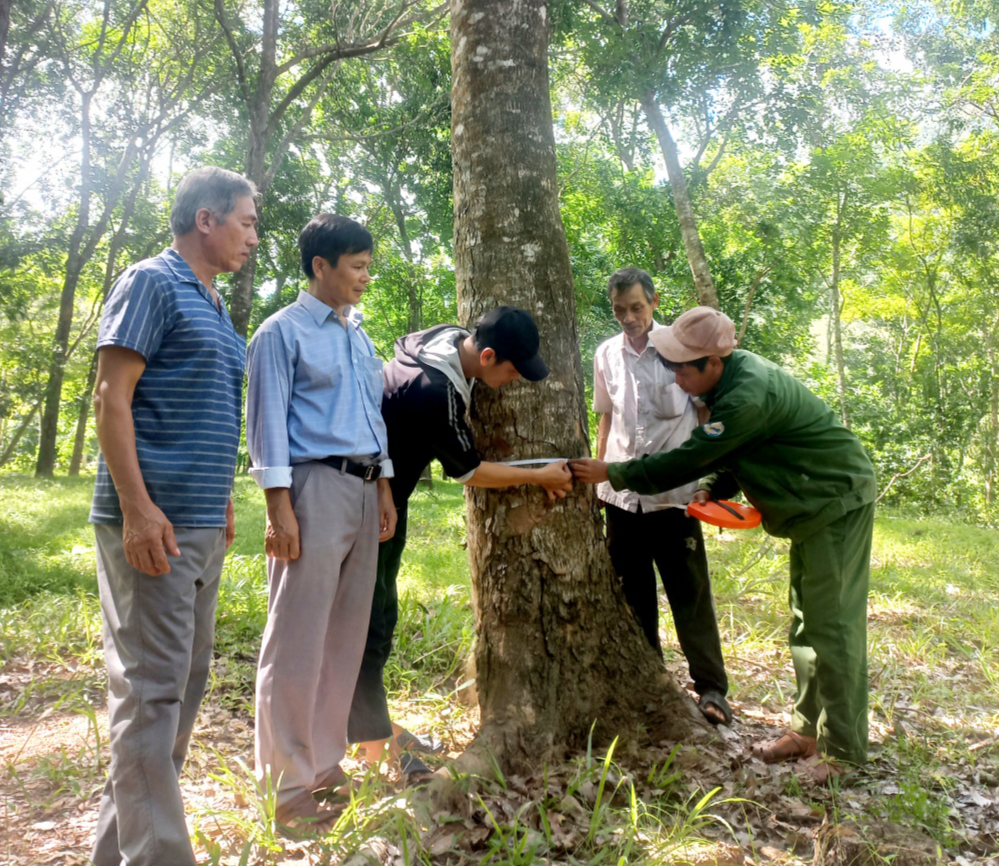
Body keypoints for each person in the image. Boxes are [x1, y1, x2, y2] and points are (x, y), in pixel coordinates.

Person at [570, 306, 876, 783]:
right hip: (807, 507)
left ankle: (844, 751)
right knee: (806, 623)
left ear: (713, 362)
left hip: (832, 501)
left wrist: (614, 472)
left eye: (680, 368)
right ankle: (807, 731)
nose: (673, 376)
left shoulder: (744, 398)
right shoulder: (730, 383)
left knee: (831, 627)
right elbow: (733, 454)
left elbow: (689, 458)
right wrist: (715, 486)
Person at [89, 166, 258, 866]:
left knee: (180, 690)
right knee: (152, 695)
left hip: (199, 524)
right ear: (206, 220)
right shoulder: (152, 282)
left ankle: (114, 853)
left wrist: (219, 498)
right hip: (151, 522)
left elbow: (204, 412)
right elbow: (110, 395)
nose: (254, 235)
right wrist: (136, 509)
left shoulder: (215, 307)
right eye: (247, 221)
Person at [347, 307, 574, 781]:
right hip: (366, 506)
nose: (513, 380)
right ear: (486, 355)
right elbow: (469, 472)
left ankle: (371, 728)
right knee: (369, 623)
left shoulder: (445, 340)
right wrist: (538, 476)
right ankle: (372, 741)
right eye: (511, 370)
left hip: (384, 496)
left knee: (377, 617)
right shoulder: (436, 391)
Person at [245, 214, 397, 831]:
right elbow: (267, 424)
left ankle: (324, 765)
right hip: (310, 488)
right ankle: (284, 789)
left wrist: (383, 487)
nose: (365, 277)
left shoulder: (359, 339)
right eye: (356, 266)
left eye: (367, 265)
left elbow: (373, 419)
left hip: (363, 490)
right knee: (297, 639)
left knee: (343, 636)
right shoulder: (281, 334)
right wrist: (278, 507)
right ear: (320, 268)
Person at [592, 268, 730, 727]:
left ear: (653, 302)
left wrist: (709, 478)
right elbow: (606, 419)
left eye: (635, 307)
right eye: (619, 310)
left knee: (689, 594)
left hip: (675, 497)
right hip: (622, 498)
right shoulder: (606, 354)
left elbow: (706, 414)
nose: (628, 318)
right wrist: (598, 480)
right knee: (634, 595)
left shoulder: (679, 348)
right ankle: (650, 678)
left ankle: (711, 689)